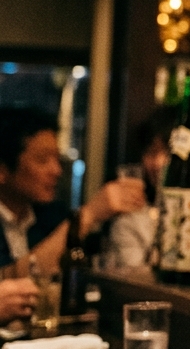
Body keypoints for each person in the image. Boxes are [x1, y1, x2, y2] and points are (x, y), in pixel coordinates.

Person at [0, 108, 147, 285]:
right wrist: (90, 214)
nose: (57, 170)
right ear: (2, 170)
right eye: (43, 160)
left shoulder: (51, 215)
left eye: (57, 158)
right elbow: (5, 279)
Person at [101, 108, 176, 269]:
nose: (158, 163)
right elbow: (134, 279)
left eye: (169, 152)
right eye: (151, 152)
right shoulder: (132, 218)